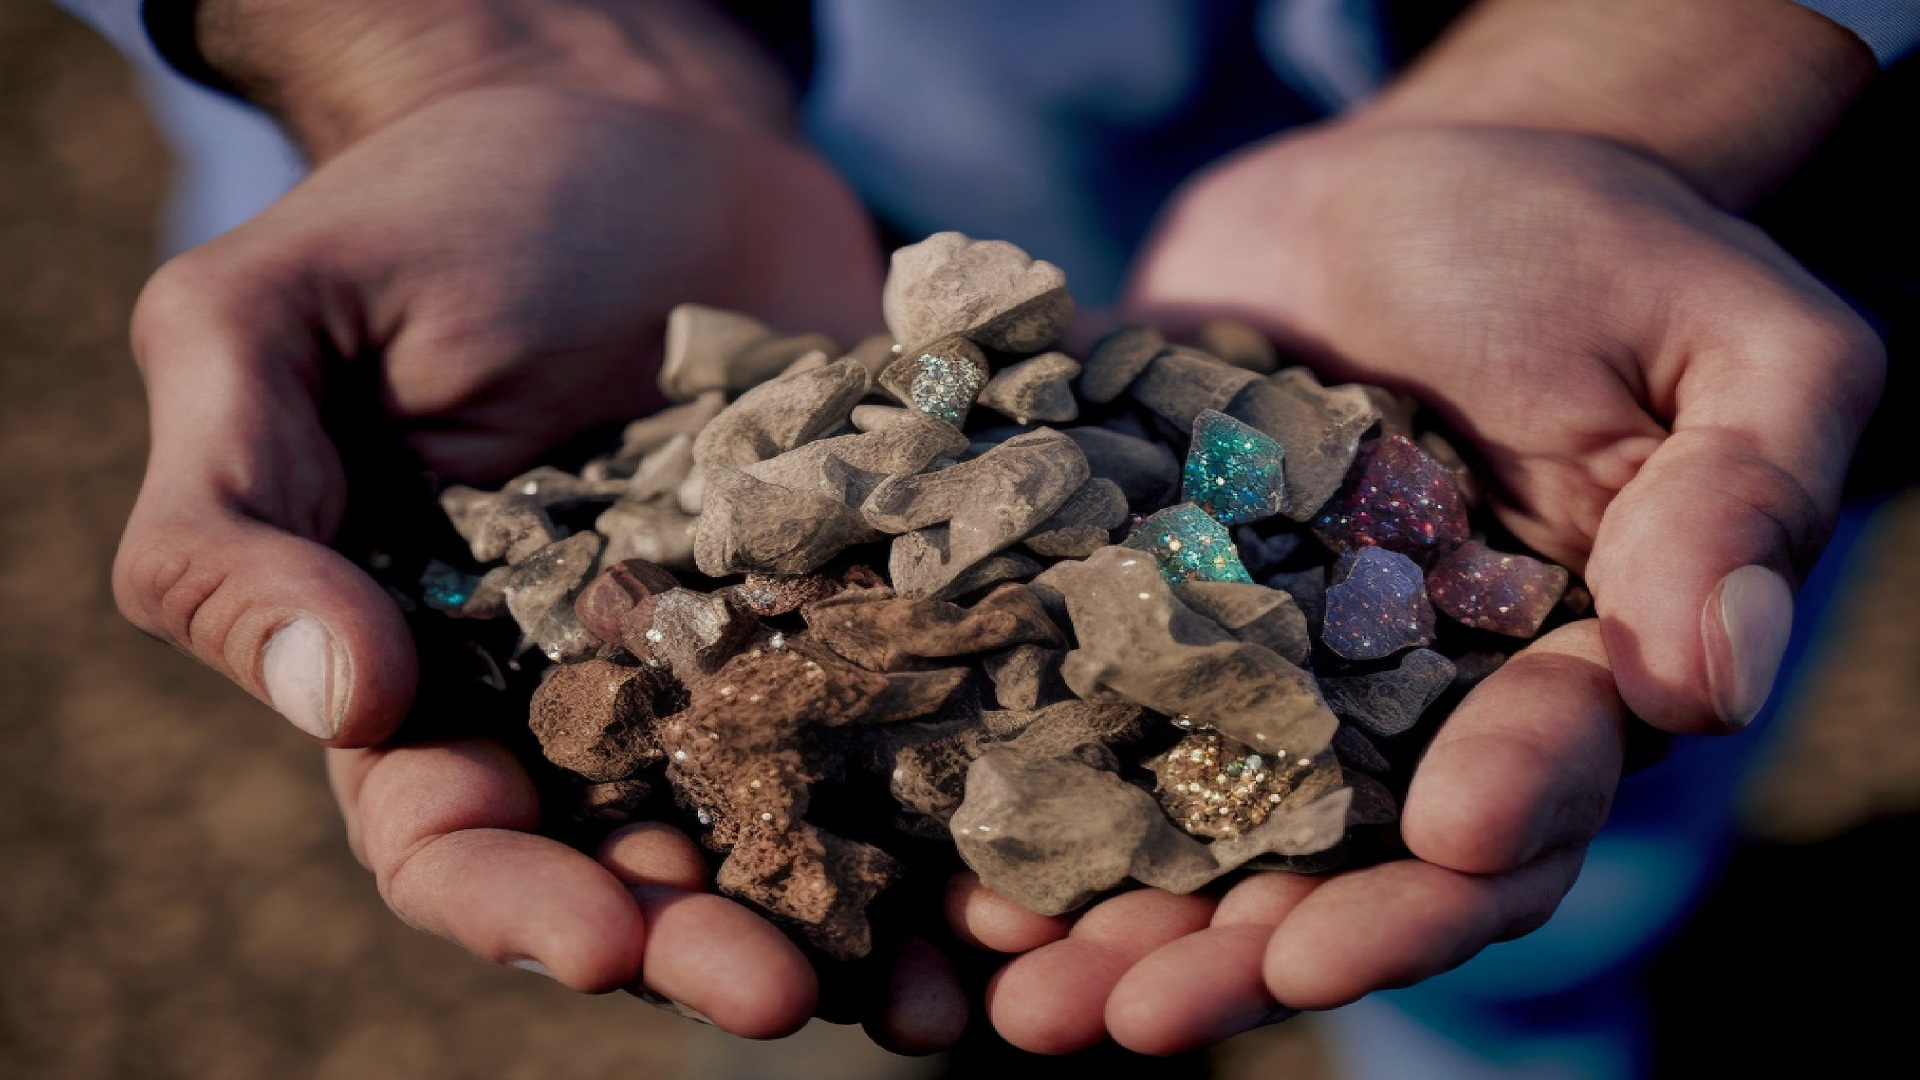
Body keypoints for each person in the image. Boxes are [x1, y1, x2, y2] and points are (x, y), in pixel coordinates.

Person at [55, 0, 1912, 1072]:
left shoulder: (1239, 501)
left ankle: (1517, 1024)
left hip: (1530, 179)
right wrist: (487, 42)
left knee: (1558, 830)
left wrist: (1635, 70)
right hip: (704, 112)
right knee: (760, 953)